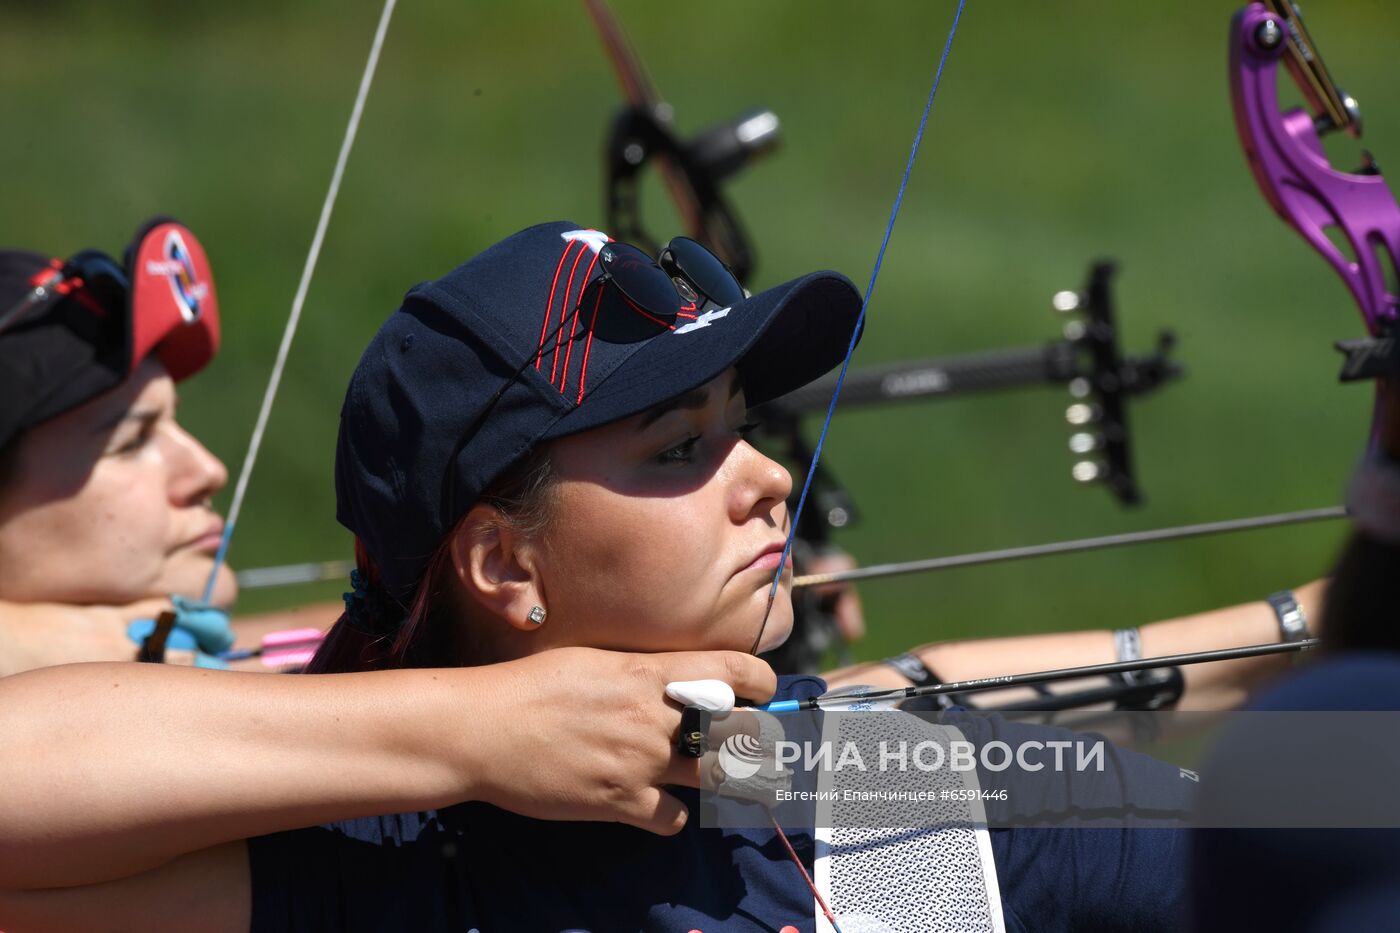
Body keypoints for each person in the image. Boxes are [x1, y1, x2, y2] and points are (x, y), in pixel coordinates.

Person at [0, 222, 1205, 931]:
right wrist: (487, 730)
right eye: (678, 449)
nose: (766, 479)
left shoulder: (851, 788)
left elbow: (1326, 815)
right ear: (502, 565)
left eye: (744, 425)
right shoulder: (375, 862)